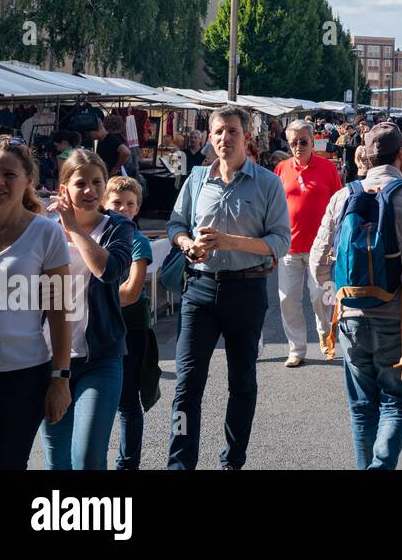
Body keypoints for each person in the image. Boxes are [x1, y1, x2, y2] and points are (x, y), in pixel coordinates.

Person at [309, 123, 402, 470]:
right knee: (396, 403)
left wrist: (335, 300)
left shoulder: (342, 196)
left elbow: (317, 262)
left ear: (367, 156)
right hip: (399, 316)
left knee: (362, 406)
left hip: (350, 318)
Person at [166, 105, 291, 470]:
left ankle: (233, 460)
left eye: (232, 131)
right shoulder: (196, 180)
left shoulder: (267, 183)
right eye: (218, 131)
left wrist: (230, 241)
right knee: (186, 387)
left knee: (242, 383)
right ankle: (179, 463)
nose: (224, 138)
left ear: (246, 137)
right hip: (200, 290)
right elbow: (175, 224)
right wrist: (187, 244)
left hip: (246, 291)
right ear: (210, 136)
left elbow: (280, 242)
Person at [0, 138, 72, 469]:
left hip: (21, 377)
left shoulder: (46, 233)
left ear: (28, 180)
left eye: (9, 174)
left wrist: (60, 379)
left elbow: (60, 312)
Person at [41, 150, 134, 470]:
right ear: (63, 188)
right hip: (49, 358)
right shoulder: (44, 227)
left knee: (88, 459)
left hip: (100, 358)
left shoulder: (117, 227)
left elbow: (108, 271)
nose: (91, 190)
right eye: (81, 183)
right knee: (57, 461)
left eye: (98, 182)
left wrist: (75, 228)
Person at [104, 176, 161, 470]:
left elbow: (132, 291)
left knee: (127, 403)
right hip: (97, 331)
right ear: (104, 203)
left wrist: (96, 298)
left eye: (129, 204)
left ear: (138, 209)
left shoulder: (138, 242)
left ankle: (128, 464)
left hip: (130, 331)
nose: (123, 209)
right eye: (116, 203)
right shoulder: (95, 238)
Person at [274, 119, 342, 368]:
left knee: (321, 298)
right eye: (294, 142)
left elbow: (339, 204)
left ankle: (327, 339)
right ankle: (296, 348)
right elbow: (274, 206)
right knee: (288, 299)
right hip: (289, 247)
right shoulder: (281, 168)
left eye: (303, 141)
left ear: (313, 142)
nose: (299, 146)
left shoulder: (327, 168)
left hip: (321, 248)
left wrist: (337, 238)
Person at [96, 113, 132, 178]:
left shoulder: (113, 138)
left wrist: (116, 168)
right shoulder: (118, 137)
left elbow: (126, 152)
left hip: (116, 175)